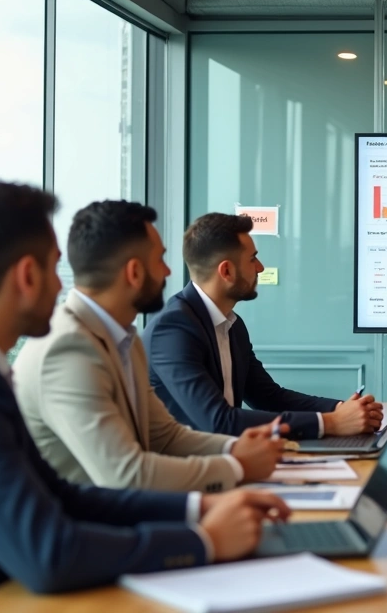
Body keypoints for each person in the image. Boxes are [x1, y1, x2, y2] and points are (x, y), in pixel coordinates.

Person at [0, 178, 290, 612]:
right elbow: (49, 552)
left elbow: (58, 494)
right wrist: (203, 540)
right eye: (54, 267)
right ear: (27, 276)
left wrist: (200, 508)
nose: (63, 287)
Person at [15, 201, 283, 493]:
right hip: (89, 518)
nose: (168, 271)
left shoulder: (124, 339)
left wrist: (235, 448)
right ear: (134, 272)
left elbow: (166, 437)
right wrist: (237, 465)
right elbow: (127, 474)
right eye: (160, 260)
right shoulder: (68, 349)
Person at [145, 213, 383, 438]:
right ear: (226, 271)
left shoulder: (232, 325)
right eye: (252, 259)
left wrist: (342, 409)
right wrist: (331, 423)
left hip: (227, 456)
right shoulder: (173, 330)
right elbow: (218, 421)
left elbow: (268, 397)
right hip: (185, 465)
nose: (260, 267)